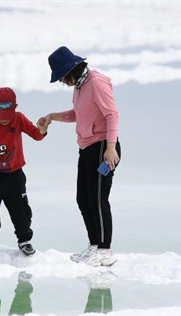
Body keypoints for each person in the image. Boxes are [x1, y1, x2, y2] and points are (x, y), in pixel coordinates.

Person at [37, 46, 122, 267]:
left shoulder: (96, 82)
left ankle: (105, 250)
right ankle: (94, 245)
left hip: (103, 146)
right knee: (83, 199)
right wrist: (52, 117)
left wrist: (110, 148)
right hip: (86, 148)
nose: (63, 82)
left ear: (72, 69)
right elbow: (78, 114)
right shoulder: (80, 86)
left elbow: (112, 114)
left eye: (63, 78)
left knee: (97, 199)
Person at [0, 87, 48, 261]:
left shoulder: (19, 119)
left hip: (15, 176)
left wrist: (42, 129)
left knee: (21, 211)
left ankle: (24, 241)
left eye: (7, 117)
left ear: (14, 108)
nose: (4, 121)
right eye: (0, 117)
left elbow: (37, 135)